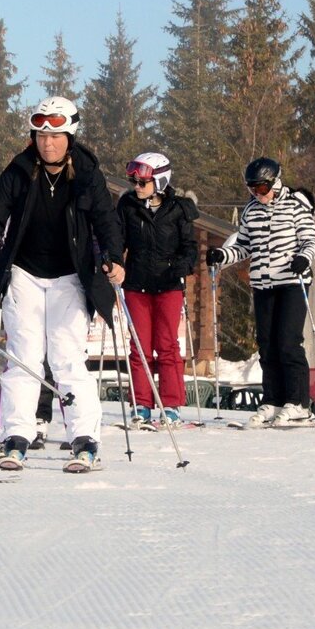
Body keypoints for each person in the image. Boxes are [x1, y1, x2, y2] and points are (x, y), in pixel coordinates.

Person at [0, 96, 125, 473]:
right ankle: (16, 436)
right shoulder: (20, 170)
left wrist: (114, 257)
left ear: (69, 136)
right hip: (24, 273)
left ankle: (84, 438)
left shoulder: (87, 173)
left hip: (70, 277)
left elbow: (106, 219)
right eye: (41, 135)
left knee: (66, 357)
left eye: (55, 135)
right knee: (24, 355)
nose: (47, 143)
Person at [206, 157, 315, 427]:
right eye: (252, 190)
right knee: (266, 344)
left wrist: (303, 258)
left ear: (276, 183)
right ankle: (274, 400)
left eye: (262, 189)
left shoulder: (295, 206)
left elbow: (310, 240)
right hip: (263, 283)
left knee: (288, 342)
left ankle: (299, 403)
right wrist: (223, 255)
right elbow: (245, 245)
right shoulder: (251, 210)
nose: (258, 195)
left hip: (292, 282)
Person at [116, 153, 198, 427]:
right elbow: (118, 239)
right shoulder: (128, 206)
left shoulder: (178, 209)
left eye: (142, 182)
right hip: (137, 284)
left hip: (168, 285)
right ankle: (142, 404)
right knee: (139, 346)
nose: (137, 187)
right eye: (134, 181)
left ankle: (171, 403)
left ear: (160, 180)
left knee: (167, 345)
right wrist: (111, 260)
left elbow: (190, 247)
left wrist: (182, 266)